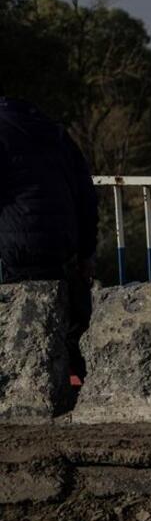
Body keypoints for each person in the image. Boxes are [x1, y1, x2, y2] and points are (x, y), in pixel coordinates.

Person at [0, 97, 99, 376]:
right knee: (67, 335)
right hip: (65, 248)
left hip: (17, 250)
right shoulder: (51, 128)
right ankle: (74, 388)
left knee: (24, 343)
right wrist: (87, 251)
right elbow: (87, 195)